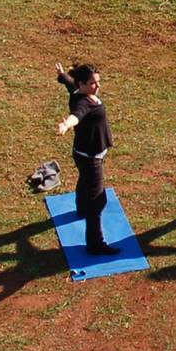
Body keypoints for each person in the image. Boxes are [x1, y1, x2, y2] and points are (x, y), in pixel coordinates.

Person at [55, 63, 118, 256]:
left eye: (98, 82)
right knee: (97, 201)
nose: (97, 87)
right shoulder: (84, 103)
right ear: (82, 84)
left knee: (85, 182)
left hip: (82, 154)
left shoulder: (77, 92)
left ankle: (81, 209)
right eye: (92, 83)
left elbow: (69, 85)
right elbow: (77, 115)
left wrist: (62, 75)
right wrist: (67, 124)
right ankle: (95, 244)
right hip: (91, 158)